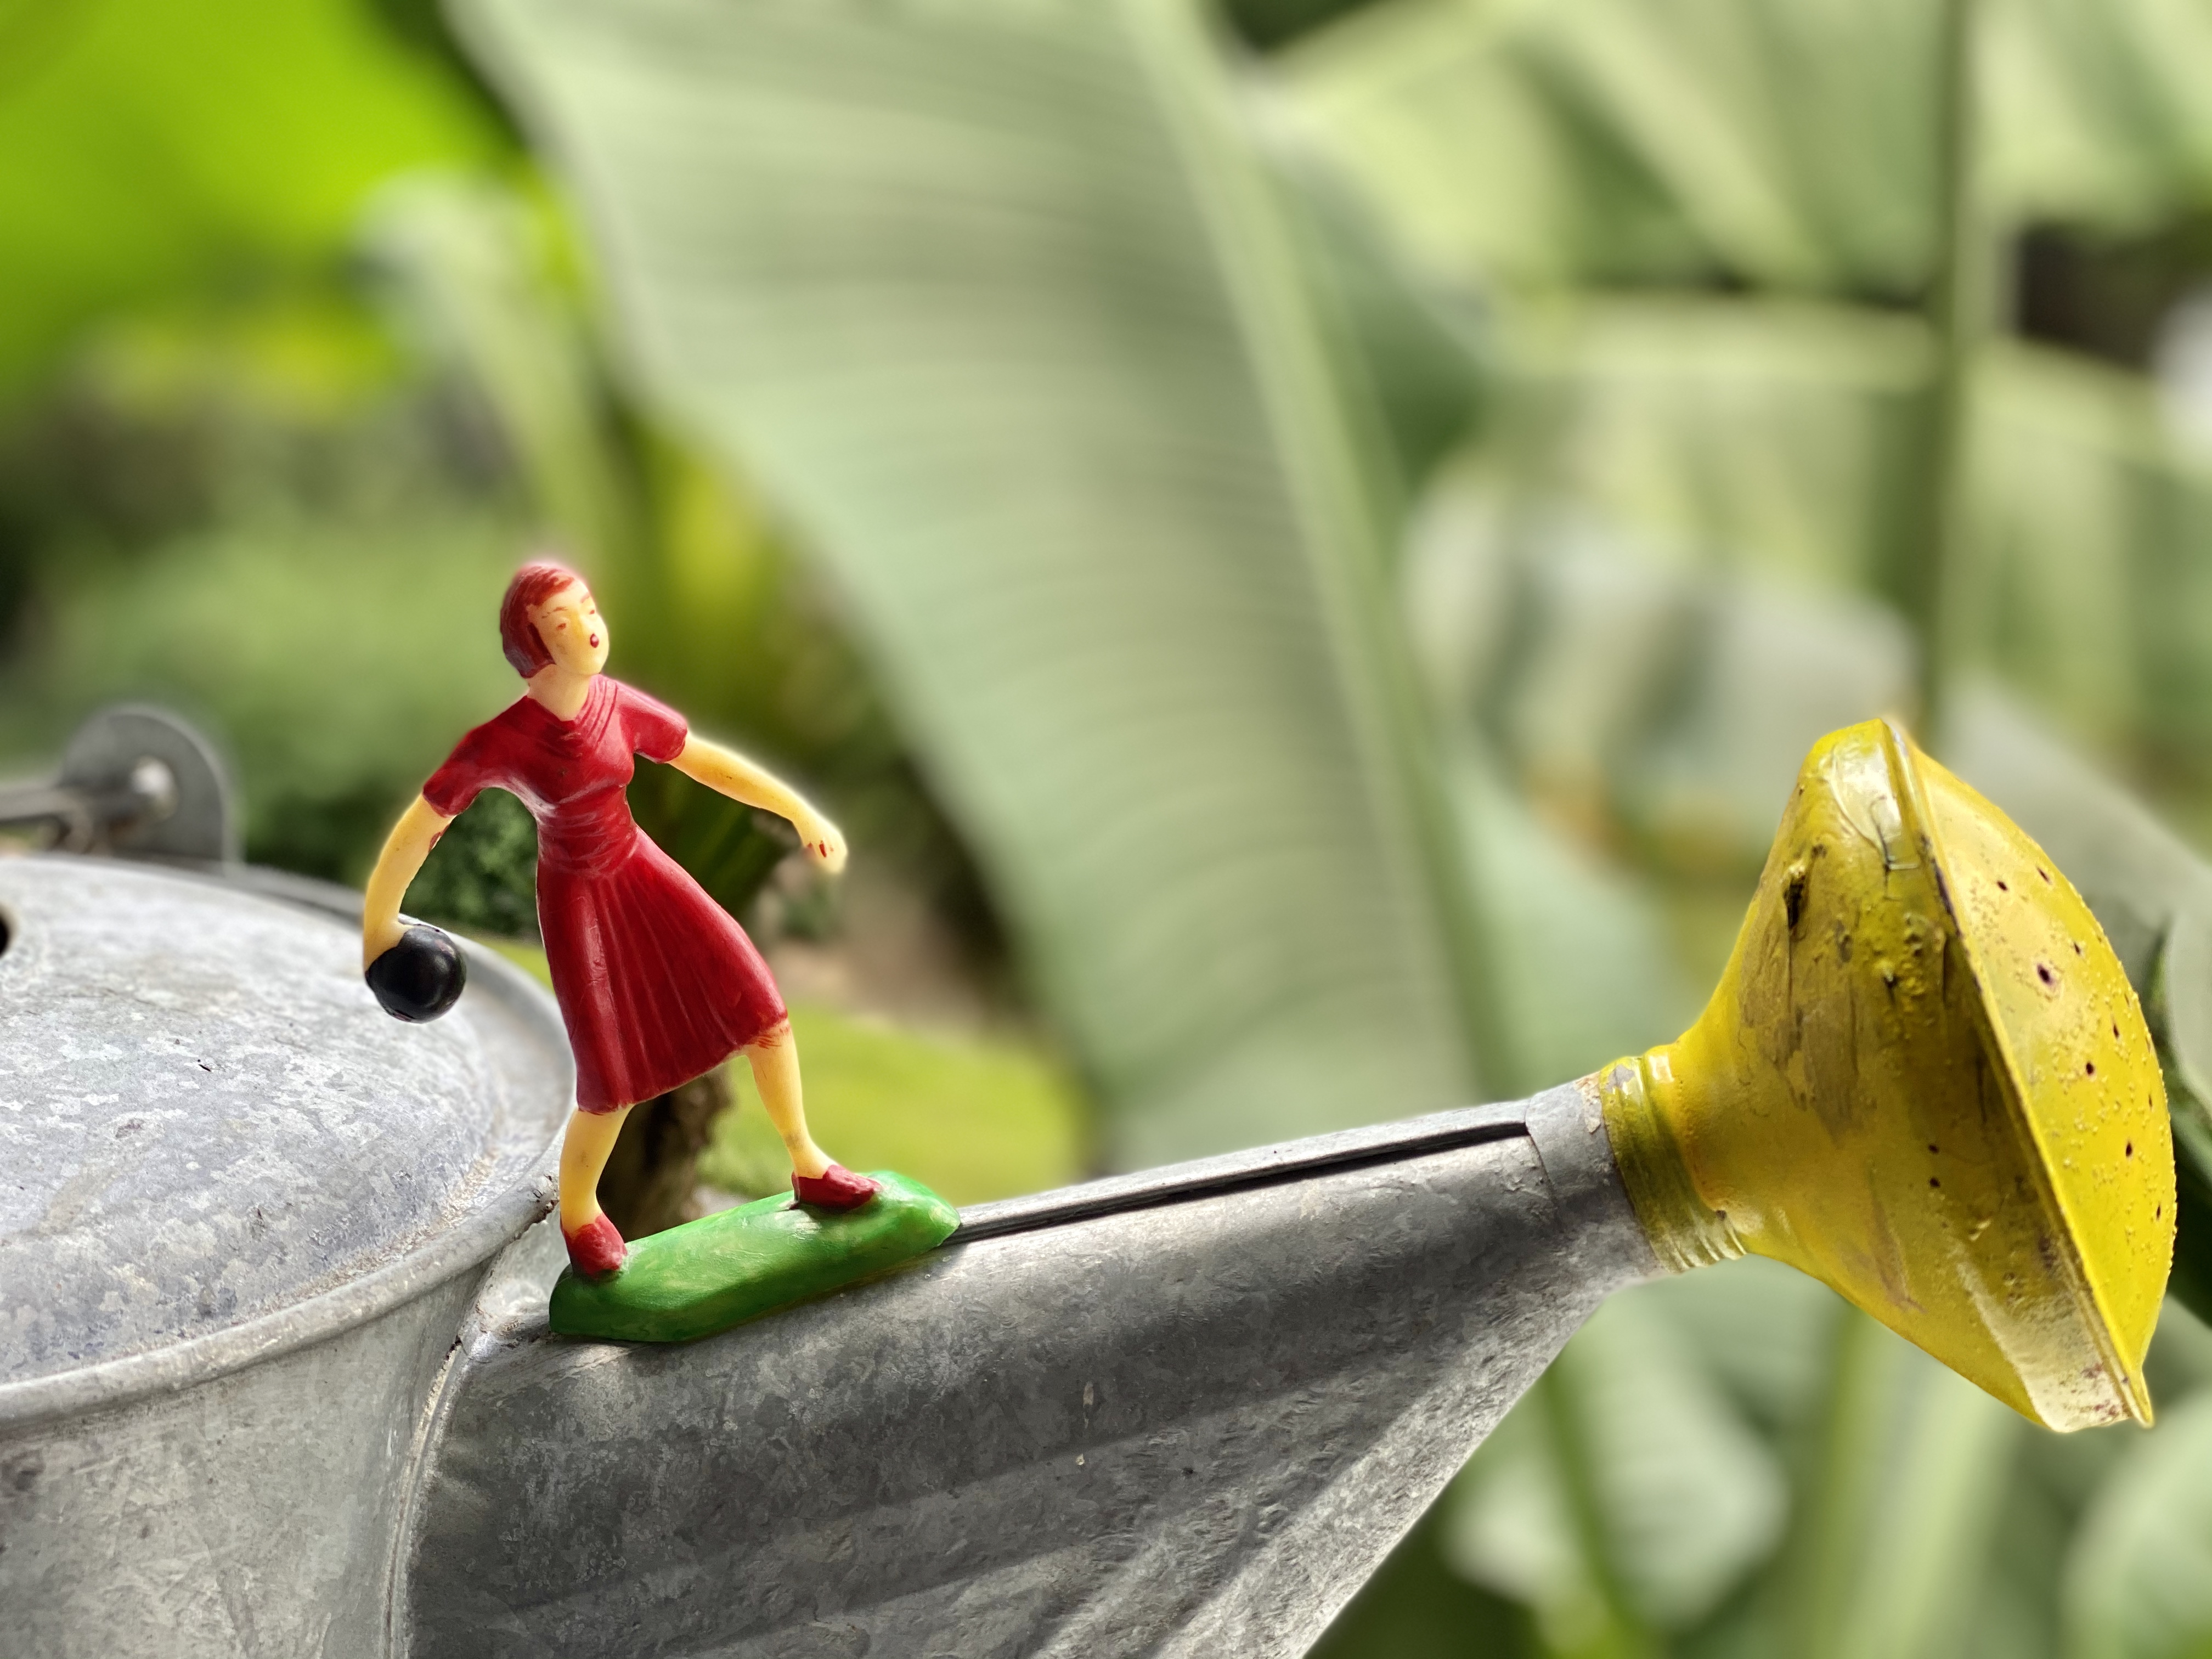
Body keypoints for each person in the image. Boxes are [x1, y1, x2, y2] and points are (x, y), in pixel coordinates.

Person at [362, 558, 877, 1281]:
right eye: (565, 623)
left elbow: (704, 761)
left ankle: (807, 1161)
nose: (591, 630)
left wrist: (797, 808)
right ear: (532, 646)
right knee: (611, 1080)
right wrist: (378, 925)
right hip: (578, 898)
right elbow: (425, 826)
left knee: (761, 1008)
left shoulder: (616, 703)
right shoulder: (501, 743)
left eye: (591, 610)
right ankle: (580, 1212)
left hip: (639, 867)